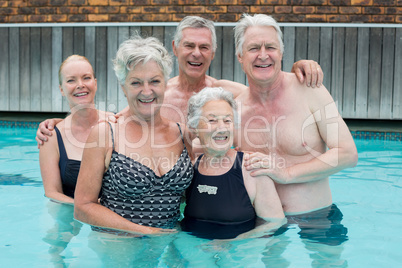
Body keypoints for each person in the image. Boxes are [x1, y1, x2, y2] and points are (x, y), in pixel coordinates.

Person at [35, 16, 324, 144]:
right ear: (175, 49)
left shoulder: (230, 93)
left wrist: (300, 66)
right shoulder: (157, 94)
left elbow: (269, 91)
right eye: (189, 45)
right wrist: (62, 123)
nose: (196, 53)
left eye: (204, 47)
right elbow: (112, 120)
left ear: (213, 52)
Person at [232, 14, 357, 243]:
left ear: (281, 52)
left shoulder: (310, 90)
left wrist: (287, 174)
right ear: (240, 56)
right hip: (264, 224)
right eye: (253, 48)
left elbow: (347, 154)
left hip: (318, 217)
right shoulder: (235, 110)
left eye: (270, 47)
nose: (263, 55)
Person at [73, 35, 194, 235]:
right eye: (136, 83)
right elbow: (83, 207)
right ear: (123, 87)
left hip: (169, 245)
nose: (147, 91)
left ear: (166, 84)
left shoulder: (182, 134)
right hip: (119, 247)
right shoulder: (106, 134)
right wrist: (145, 231)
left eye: (154, 81)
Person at [181, 87, 286, 240]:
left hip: (237, 256)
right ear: (194, 127)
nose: (222, 128)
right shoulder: (189, 171)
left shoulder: (252, 170)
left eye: (227, 120)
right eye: (212, 120)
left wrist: (234, 243)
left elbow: (275, 224)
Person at [39, 55, 110, 204]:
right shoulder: (51, 136)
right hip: (70, 214)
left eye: (86, 78)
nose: (80, 85)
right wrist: (88, 207)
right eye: (71, 80)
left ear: (95, 84)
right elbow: (52, 193)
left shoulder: (115, 123)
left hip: (111, 216)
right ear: (62, 90)